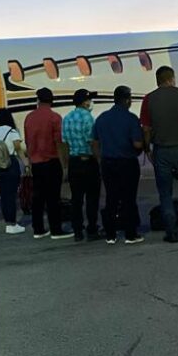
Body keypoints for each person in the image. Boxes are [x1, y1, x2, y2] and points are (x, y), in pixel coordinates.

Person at [140, 66, 178, 242]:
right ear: (172, 79)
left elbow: (146, 128)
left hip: (162, 151)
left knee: (165, 193)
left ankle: (172, 231)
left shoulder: (149, 98)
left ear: (157, 80)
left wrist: (147, 149)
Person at [92, 85, 144, 245]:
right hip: (127, 163)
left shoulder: (102, 118)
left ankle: (110, 234)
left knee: (111, 198)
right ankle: (130, 234)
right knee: (128, 198)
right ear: (127, 100)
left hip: (108, 163)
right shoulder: (131, 119)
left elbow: (94, 142)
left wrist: (100, 159)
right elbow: (137, 144)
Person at [24, 88, 73, 240]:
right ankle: (55, 229)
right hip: (51, 162)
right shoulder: (54, 117)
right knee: (53, 198)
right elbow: (60, 143)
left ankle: (38, 229)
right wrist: (64, 165)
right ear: (52, 100)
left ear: (37, 100)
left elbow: (27, 141)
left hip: (36, 162)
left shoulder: (29, 118)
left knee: (37, 197)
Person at [61, 88, 101, 241]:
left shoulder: (67, 118)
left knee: (76, 199)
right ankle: (92, 228)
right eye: (89, 99)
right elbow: (92, 142)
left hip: (74, 162)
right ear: (84, 102)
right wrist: (99, 160)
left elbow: (64, 143)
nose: (90, 102)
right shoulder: (88, 118)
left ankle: (77, 230)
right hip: (88, 161)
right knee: (92, 197)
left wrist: (65, 165)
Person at [0, 108, 26, 235]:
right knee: (12, 194)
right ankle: (12, 224)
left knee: (4, 195)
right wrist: (26, 163)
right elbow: (18, 148)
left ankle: (9, 222)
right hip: (10, 163)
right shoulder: (12, 131)